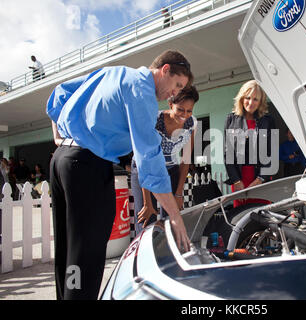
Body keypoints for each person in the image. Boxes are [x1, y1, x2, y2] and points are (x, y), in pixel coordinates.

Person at [46, 50, 193, 300]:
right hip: (86, 167)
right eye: (177, 85)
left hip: (62, 161)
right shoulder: (141, 90)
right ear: (165, 69)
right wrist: (175, 216)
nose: (175, 94)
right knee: (86, 255)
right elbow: (149, 157)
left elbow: (60, 92)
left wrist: (59, 136)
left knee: (69, 249)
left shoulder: (113, 73)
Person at [131, 85, 199, 234]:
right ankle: (143, 254)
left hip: (170, 169)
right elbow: (144, 159)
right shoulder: (153, 121)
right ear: (170, 104)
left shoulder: (192, 124)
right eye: (180, 109)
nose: (184, 115)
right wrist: (148, 203)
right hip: (144, 169)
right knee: (146, 220)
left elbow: (186, 159)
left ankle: (166, 253)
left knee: (171, 218)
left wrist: (179, 194)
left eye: (189, 111)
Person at [224, 80, 275, 207]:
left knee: (262, 215)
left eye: (255, 99)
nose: (251, 103)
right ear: (242, 98)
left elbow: (272, 153)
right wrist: (236, 181)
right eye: (248, 98)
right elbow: (227, 154)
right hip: (239, 180)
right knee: (240, 217)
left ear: (261, 101)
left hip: (260, 179)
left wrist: (260, 179)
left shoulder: (268, 121)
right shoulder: (231, 119)